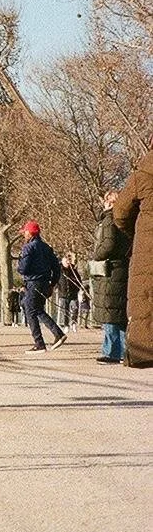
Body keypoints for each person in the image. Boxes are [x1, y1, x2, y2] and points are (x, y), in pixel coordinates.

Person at [113, 149, 153, 368]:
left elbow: (120, 213)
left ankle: (142, 350)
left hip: (148, 250)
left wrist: (137, 234)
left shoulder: (143, 173)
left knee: (145, 298)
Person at [90, 190, 131, 364]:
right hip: (122, 267)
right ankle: (125, 352)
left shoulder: (108, 220)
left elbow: (108, 244)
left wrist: (96, 255)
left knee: (109, 312)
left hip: (110, 270)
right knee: (119, 314)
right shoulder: (126, 221)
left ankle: (111, 352)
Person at [17, 220, 66, 352]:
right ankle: (58, 334)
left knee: (29, 310)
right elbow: (56, 268)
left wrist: (20, 263)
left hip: (33, 282)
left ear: (30, 233)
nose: (24, 235)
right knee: (37, 309)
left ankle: (39, 343)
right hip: (45, 283)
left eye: (25, 232)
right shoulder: (46, 247)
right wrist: (52, 284)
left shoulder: (28, 248)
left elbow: (23, 269)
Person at [57, 253, 84, 330]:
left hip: (73, 293)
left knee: (75, 307)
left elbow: (79, 280)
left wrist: (79, 288)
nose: (67, 263)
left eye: (68, 261)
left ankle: (73, 322)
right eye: (66, 261)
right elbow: (57, 281)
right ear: (62, 261)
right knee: (65, 310)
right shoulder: (59, 270)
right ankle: (66, 325)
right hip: (63, 293)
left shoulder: (73, 270)